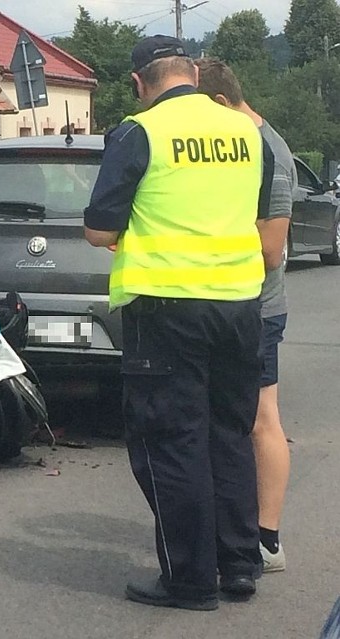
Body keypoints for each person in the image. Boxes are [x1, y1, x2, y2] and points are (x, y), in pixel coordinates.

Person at [83, 35, 275, 611]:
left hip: (167, 307)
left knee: (173, 442)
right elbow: (258, 217)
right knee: (229, 433)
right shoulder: (247, 132)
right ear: (193, 71)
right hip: (241, 304)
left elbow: (99, 230)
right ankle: (240, 564)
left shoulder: (139, 132)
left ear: (139, 83)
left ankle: (191, 579)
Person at [195, 57, 294, 574]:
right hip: (230, 305)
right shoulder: (236, 147)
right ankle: (236, 531)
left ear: (217, 104)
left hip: (258, 308)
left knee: (260, 421)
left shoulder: (269, 151)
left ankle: (267, 539)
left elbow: (272, 250)